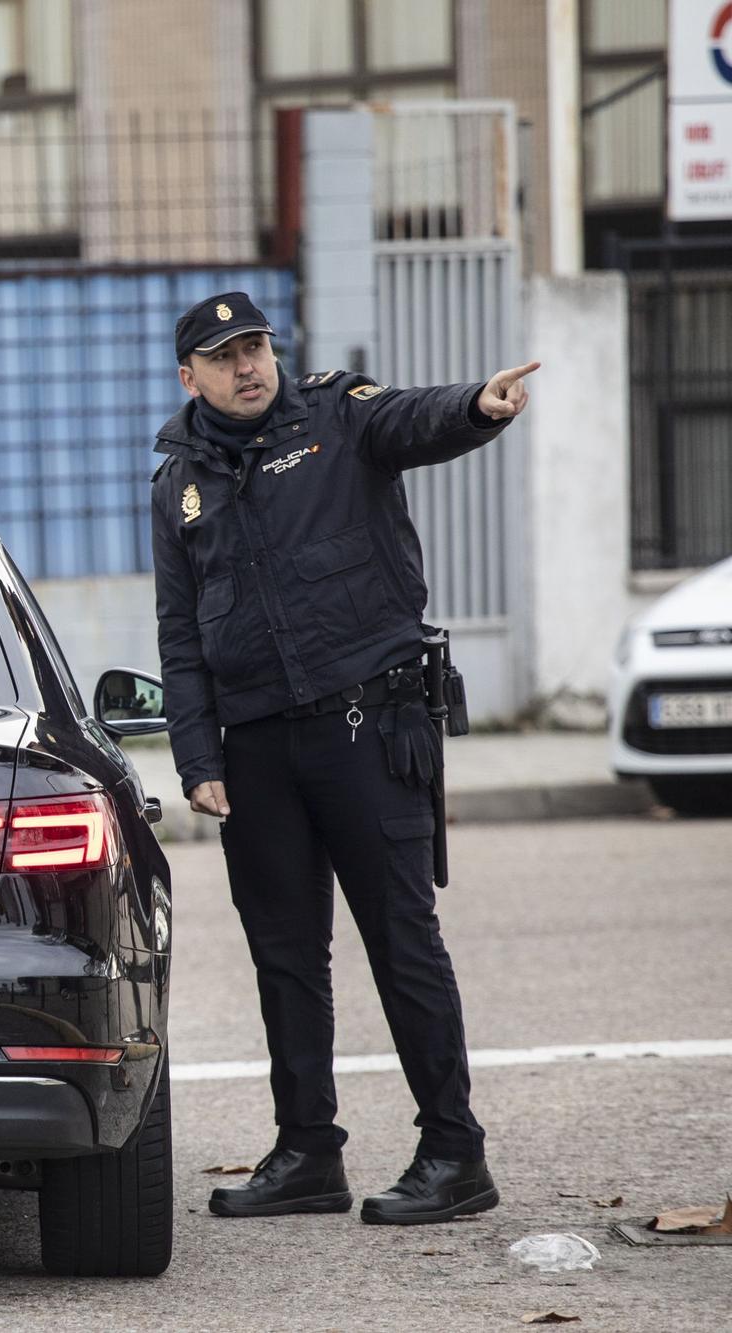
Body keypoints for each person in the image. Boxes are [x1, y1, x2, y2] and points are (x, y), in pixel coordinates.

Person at [149, 292, 536, 1226]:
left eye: (256, 346)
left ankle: (454, 1150)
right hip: (257, 749)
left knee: (402, 941)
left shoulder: (336, 415)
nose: (248, 366)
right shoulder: (179, 484)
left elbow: (413, 419)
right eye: (225, 354)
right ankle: (307, 1153)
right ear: (188, 374)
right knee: (285, 956)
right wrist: (198, 755)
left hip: (367, 724)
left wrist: (477, 404)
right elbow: (180, 633)